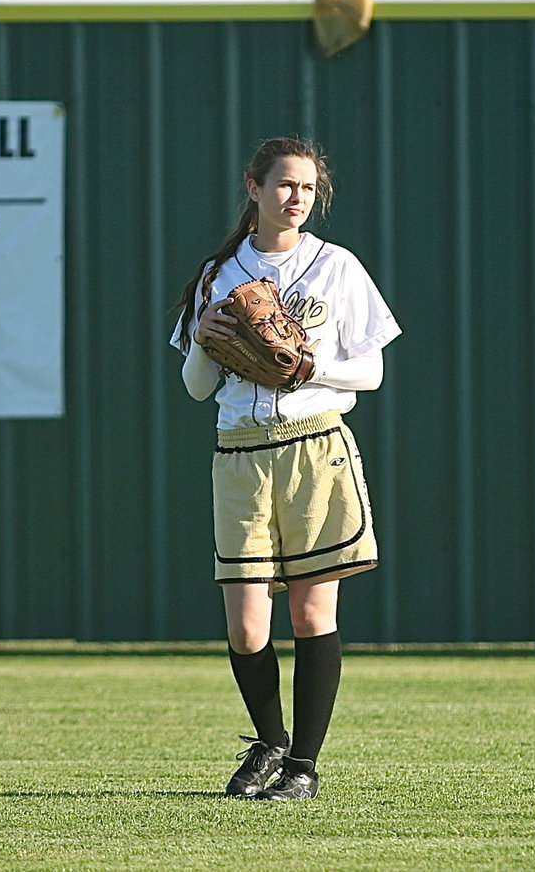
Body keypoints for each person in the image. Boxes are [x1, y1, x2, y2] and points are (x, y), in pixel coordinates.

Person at [172, 136, 400, 801]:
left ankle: (302, 766)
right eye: (283, 185)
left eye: (306, 187)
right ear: (254, 186)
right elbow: (195, 387)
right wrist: (209, 332)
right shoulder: (221, 273)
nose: (296, 197)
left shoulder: (336, 267)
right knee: (246, 624)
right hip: (240, 449)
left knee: (310, 612)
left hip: (315, 445)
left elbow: (374, 370)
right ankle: (269, 742)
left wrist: (310, 366)